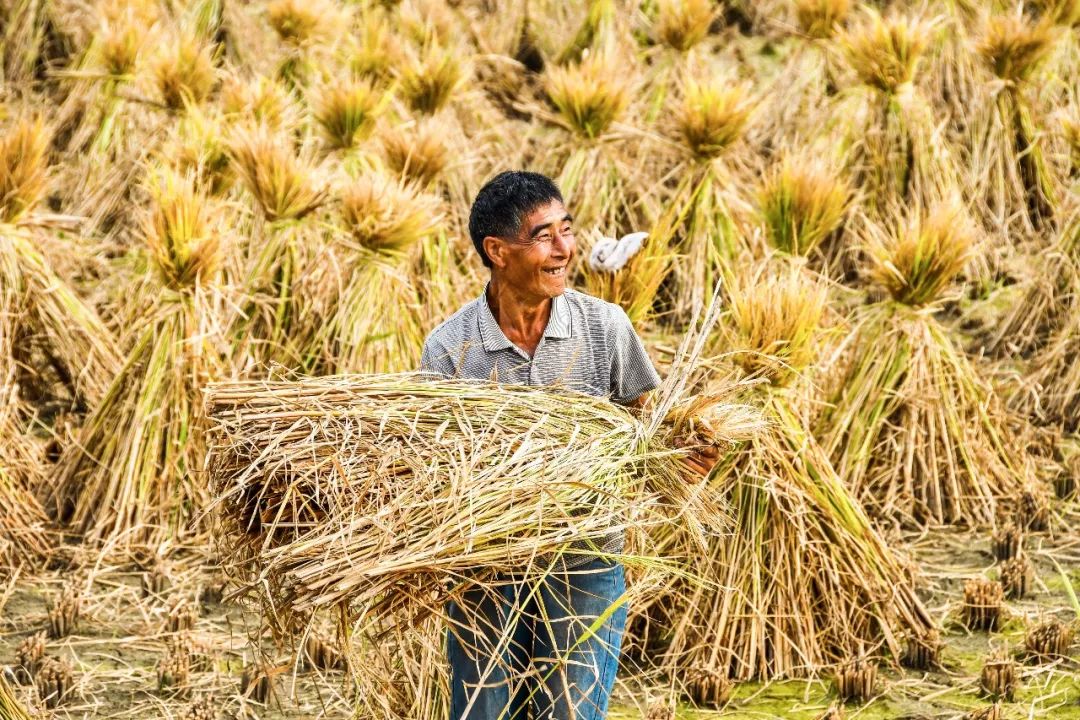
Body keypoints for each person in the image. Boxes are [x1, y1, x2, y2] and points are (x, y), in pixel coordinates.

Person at [420, 170, 718, 720]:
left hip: (585, 556)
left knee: (570, 711)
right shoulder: (451, 348)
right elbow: (434, 471)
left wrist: (681, 462)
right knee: (483, 710)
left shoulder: (605, 327)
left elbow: (646, 430)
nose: (565, 249)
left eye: (568, 230)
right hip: (486, 564)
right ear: (497, 251)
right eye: (544, 237)